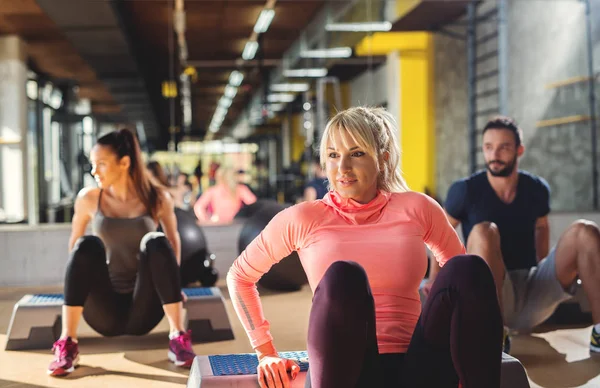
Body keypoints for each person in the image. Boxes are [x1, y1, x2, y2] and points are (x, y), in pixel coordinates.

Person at [227, 107, 504, 388]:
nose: (342, 168)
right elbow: (239, 276)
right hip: (347, 370)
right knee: (344, 276)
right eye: (334, 155)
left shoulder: (417, 208)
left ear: (382, 159)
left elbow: (463, 286)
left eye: (357, 154)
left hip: (418, 365)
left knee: (470, 267)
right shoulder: (303, 217)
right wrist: (265, 352)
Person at [437, 115, 600, 354]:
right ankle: (494, 335)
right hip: (491, 292)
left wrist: (543, 262)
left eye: (504, 147)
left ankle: (599, 332)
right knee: (483, 232)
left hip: (534, 289)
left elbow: (542, 227)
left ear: (519, 150)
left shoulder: (537, 188)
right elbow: (441, 232)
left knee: (585, 231)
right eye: (489, 147)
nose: (495, 155)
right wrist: (435, 279)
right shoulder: (465, 190)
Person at [47, 129, 196, 377]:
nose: (95, 171)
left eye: (102, 164)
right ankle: (67, 343)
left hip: (145, 309)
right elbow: (75, 251)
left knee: (156, 241)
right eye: (93, 165)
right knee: (87, 245)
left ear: (124, 163)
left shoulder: (158, 198)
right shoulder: (89, 199)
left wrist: (174, 287)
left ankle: (178, 337)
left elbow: (172, 243)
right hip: (104, 312)